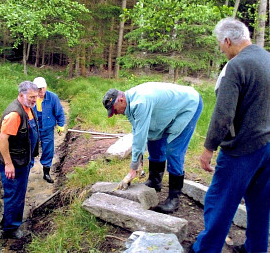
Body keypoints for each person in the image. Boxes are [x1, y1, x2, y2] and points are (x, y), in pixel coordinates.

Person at [191, 18, 270, 253]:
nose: (221, 49)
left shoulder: (236, 66)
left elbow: (223, 115)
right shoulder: (267, 58)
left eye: (220, 45)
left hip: (242, 150)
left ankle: (205, 249)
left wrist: (208, 149)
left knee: (220, 201)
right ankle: (256, 248)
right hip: (268, 145)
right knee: (260, 203)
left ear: (227, 40)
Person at [103, 82, 203, 213]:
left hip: (189, 105)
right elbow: (139, 132)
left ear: (121, 100)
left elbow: (140, 136)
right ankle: (155, 182)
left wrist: (132, 169)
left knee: (174, 150)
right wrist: (139, 162)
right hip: (168, 110)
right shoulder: (128, 103)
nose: (115, 113)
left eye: (114, 110)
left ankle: (174, 198)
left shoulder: (140, 102)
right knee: (154, 139)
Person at [0, 81, 39, 239]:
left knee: (18, 193)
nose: (35, 99)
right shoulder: (14, 114)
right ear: (21, 95)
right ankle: (10, 229)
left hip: (23, 160)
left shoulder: (28, 108)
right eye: (32, 97)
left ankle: (8, 220)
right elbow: (3, 139)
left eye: (37, 96)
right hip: (14, 163)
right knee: (14, 194)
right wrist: (8, 164)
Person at [33, 77, 65, 184]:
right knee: (30, 148)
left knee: (48, 149)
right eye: (38, 89)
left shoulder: (52, 97)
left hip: (47, 128)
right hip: (33, 128)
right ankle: (27, 170)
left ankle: (46, 172)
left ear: (46, 87)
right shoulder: (30, 98)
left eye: (42, 88)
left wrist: (60, 125)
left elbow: (59, 112)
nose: (40, 91)